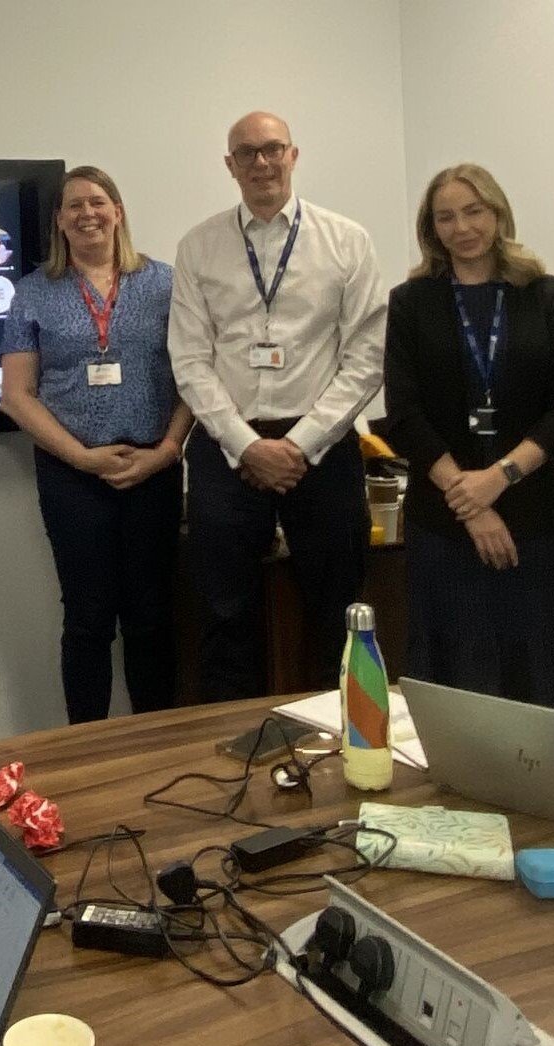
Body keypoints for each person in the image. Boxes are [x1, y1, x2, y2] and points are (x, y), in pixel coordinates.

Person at [169, 111, 386, 701]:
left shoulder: (347, 240)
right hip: (226, 448)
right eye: (246, 153)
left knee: (339, 611)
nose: (260, 163)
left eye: (272, 150)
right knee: (221, 613)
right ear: (229, 165)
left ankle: (340, 743)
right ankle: (229, 736)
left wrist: (300, 443)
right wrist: (245, 444)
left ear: (293, 155)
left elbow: (368, 354)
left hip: (321, 447)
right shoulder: (199, 246)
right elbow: (189, 358)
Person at [383, 164, 554, 706]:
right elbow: (403, 414)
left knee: (535, 671)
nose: (462, 227)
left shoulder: (547, 296)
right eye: (445, 216)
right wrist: (471, 503)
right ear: (431, 228)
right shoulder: (411, 301)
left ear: (498, 214)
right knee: (454, 673)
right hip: (443, 523)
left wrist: (499, 478)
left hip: (533, 518)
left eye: (474, 211)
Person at [0, 165, 193, 724]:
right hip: (72, 473)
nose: (87, 213)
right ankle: (86, 748)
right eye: (74, 206)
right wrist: (81, 457)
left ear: (118, 211)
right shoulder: (32, 293)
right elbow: (17, 395)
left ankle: (157, 742)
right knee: (87, 619)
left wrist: (169, 449)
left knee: (151, 617)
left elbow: (197, 377)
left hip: (153, 466)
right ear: (59, 220)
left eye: (98, 202)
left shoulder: (166, 283)